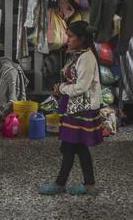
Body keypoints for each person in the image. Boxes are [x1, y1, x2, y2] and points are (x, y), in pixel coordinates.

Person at [40, 21, 103, 196]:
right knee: (76, 147)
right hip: (75, 107)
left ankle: (61, 184)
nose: (68, 39)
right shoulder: (80, 54)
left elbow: (82, 86)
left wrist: (61, 88)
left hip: (81, 109)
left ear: (82, 39)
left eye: (71, 36)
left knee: (71, 146)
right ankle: (88, 186)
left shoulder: (87, 58)